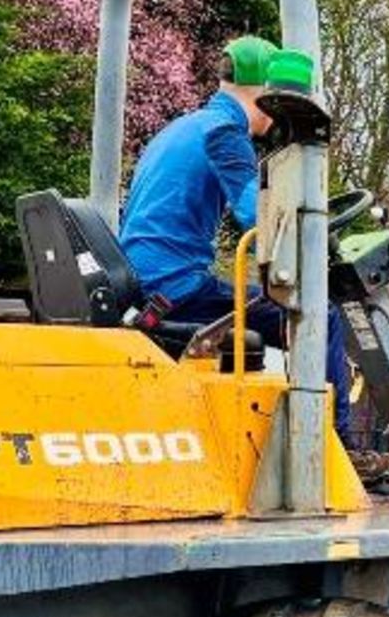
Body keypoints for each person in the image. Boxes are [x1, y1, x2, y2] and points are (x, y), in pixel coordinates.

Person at [117, 35, 353, 436]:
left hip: (150, 280)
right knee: (320, 315)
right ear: (263, 90)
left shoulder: (181, 127)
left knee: (287, 310)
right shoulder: (225, 134)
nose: (275, 117)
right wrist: (306, 240)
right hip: (178, 288)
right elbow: (255, 217)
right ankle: (337, 451)